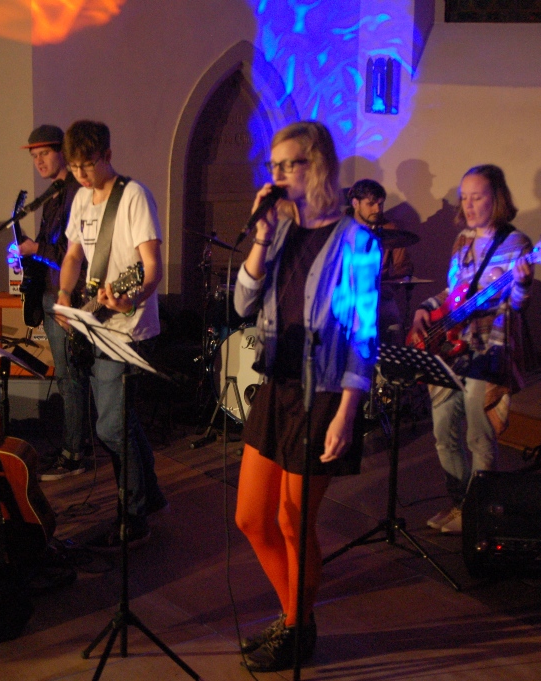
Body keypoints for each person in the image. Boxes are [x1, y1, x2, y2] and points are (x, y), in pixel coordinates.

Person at [233, 121, 380, 671]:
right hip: (277, 386)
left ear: (315, 166)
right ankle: (295, 617)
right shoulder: (280, 233)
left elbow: (364, 334)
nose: (275, 176)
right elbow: (242, 304)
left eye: (285, 165)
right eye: (271, 166)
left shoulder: (358, 242)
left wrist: (347, 414)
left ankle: (297, 628)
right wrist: (261, 236)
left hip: (324, 395)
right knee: (251, 517)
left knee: (294, 522)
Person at [55, 120, 167, 549]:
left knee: (110, 428)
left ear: (107, 155)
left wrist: (130, 298)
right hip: (95, 321)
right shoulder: (81, 198)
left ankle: (133, 515)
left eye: (88, 165)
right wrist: (64, 294)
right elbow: (73, 255)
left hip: (129, 328)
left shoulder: (134, 196)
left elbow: (152, 267)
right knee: (120, 419)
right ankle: (149, 495)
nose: (81, 174)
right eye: (74, 167)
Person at [408, 164, 533, 535]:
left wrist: (523, 285)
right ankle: (461, 503)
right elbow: (453, 292)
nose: (469, 205)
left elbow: (518, 305)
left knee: (479, 436)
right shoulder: (462, 239)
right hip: (452, 349)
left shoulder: (517, 244)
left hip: (488, 349)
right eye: (465, 197)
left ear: (497, 199)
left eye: (477, 197)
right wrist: (425, 307)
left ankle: (480, 511)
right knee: (443, 433)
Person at [10, 124, 90, 481]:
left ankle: (75, 454)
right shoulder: (55, 193)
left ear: (62, 152)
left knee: (71, 377)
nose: (39, 162)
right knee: (67, 377)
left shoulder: (75, 194)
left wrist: (35, 249)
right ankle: (72, 446)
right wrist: (24, 255)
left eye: (44, 154)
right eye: (34, 157)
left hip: (66, 297)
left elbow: (75, 256)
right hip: (50, 294)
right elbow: (50, 248)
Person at [349, 179, 414, 343]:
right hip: (347, 294)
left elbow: (403, 267)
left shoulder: (390, 229)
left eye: (380, 204)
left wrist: (389, 288)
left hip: (381, 295)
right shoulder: (342, 228)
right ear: (355, 203)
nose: (377, 209)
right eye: (371, 204)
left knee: (394, 327)